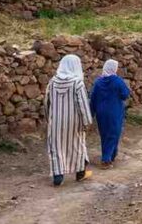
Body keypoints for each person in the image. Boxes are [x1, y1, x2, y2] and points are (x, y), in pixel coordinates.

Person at [45, 54, 94, 186]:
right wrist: (87, 121)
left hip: (55, 121)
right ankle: (80, 174)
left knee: (57, 147)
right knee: (77, 145)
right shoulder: (77, 83)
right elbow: (82, 104)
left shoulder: (52, 82)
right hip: (74, 122)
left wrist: (48, 119)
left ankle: (58, 176)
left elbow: (47, 103)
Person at [89, 59, 130, 170]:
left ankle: (111, 155)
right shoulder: (117, 81)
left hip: (101, 113)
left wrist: (91, 113)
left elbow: (93, 99)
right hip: (114, 111)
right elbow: (125, 94)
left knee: (104, 135)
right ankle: (106, 159)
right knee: (113, 134)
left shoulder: (98, 82)